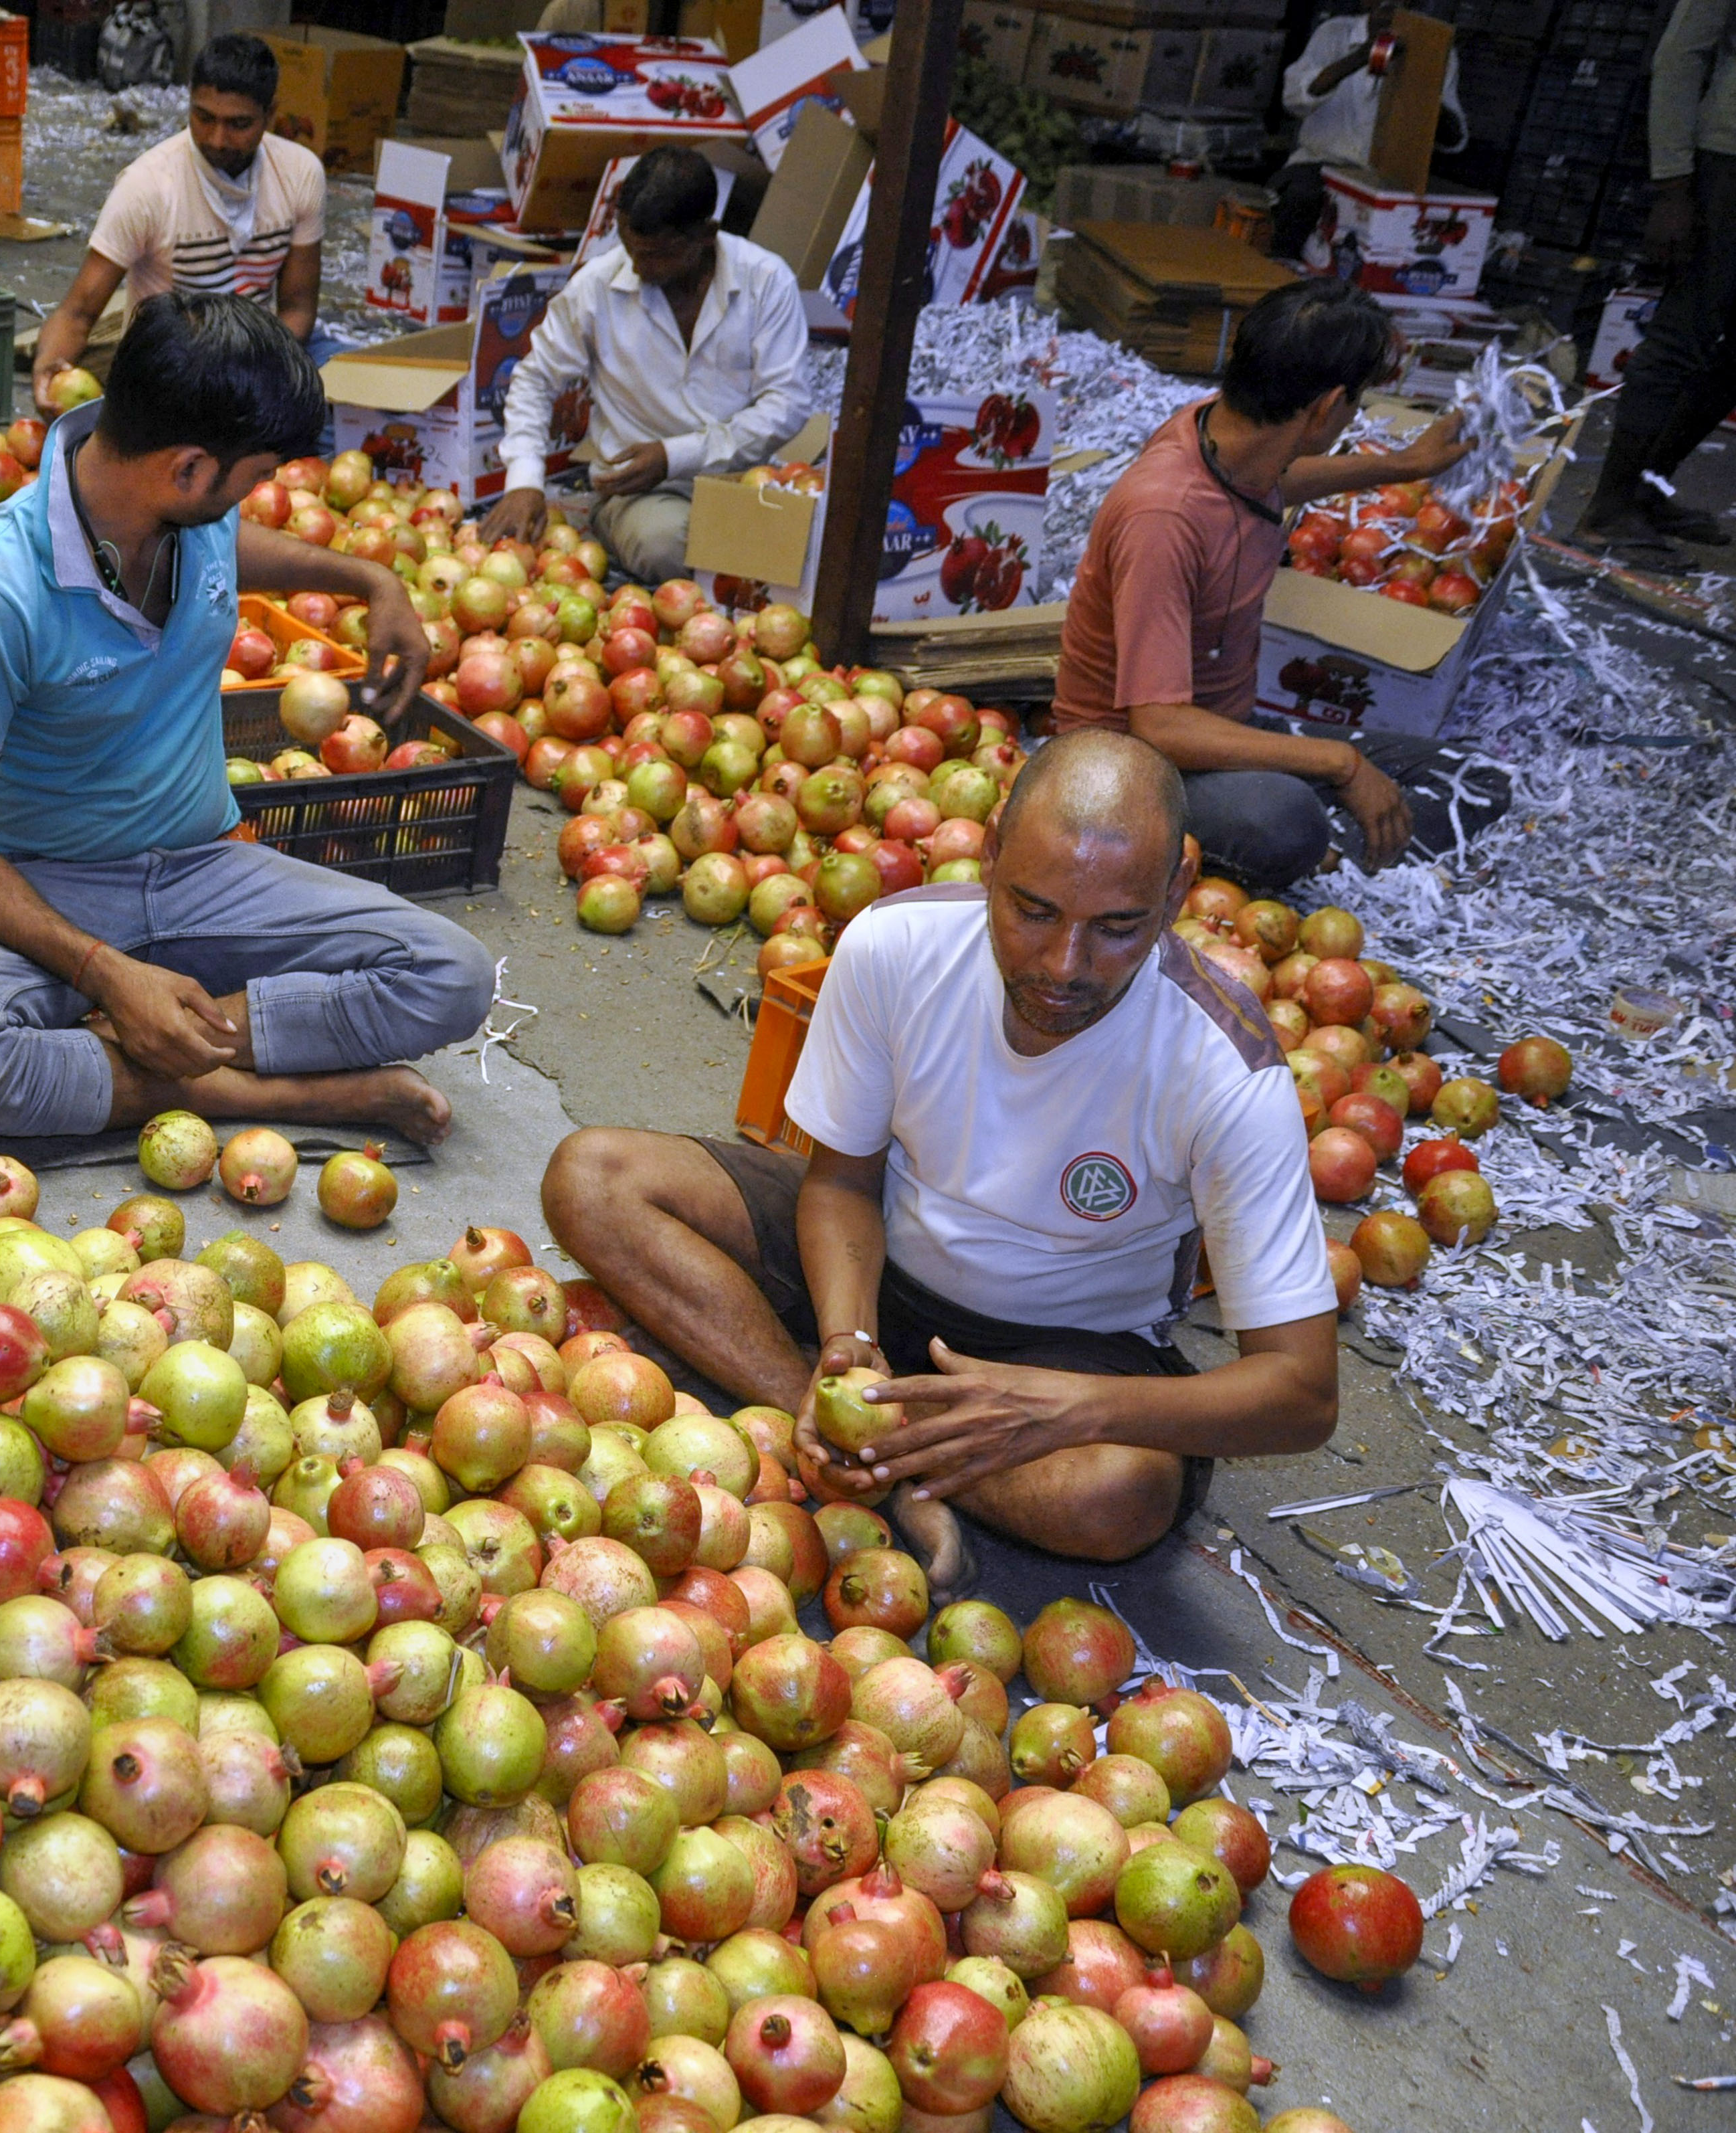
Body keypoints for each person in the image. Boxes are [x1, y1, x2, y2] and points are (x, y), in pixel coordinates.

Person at [543, 732, 1341, 1588]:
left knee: (1118, 1496)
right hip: (884, 1257)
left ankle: (879, 1444)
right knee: (592, 1178)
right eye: (1032, 910)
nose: (1062, 966)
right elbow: (843, 1181)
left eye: (1117, 928)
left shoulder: (1224, 1067)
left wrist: (1064, 1410)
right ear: (992, 848)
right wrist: (848, 1340)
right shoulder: (898, 946)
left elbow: (1302, 1393)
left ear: (1178, 888)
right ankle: (838, 1423)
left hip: (1069, 1346)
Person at [0, 294, 500, 1144]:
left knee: (454, 974)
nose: (263, 491)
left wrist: (373, 582)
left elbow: (235, 550)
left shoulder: (183, 508)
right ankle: (255, 1094)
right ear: (189, 470)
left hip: (205, 872)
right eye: (257, 475)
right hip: (46, 891)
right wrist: (106, 971)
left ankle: (160, 1043)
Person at [1050, 279, 1483, 890]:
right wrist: (1341, 763)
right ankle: (1324, 851)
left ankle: (1339, 841)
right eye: (1356, 404)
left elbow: (1281, 477)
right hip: (1127, 767)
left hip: (1227, 728)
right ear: (1327, 410)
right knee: (1285, 823)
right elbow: (1161, 728)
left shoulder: (1222, 434)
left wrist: (1404, 465)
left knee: (1473, 778)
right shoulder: (1163, 518)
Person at [476, 145, 807, 582]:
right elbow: (535, 380)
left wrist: (676, 455)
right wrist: (524, 480)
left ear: (706, 235)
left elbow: (787, 404)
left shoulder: (766, 280)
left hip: (744, 483)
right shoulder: (596, 287)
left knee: (803, 547)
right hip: (639, 491)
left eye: (658, 255)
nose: (639, 266)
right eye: (632, 248)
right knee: (665, 548)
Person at [29, 36, 331, 407]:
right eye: (204, 118)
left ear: (271, 117)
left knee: (344, 396)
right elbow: (78, 313)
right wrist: (48, 370)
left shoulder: (300, 173)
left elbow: (298, 308)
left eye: (238, 124)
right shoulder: (148, 186)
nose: (218, 139)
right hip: (173, 368)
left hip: (257, 356)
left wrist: (262, 375)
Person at [1577, 0, 1736, 553]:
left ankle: (1646, 489)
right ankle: (1609, 506)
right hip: (1729, 167)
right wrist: (1673, 183)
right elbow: (1679, 54)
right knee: (1682, 336)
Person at [1265, 16, 1466, 262]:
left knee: (1401, 233)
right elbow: (1294, 98)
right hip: (1320, 167)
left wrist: (1421, 81)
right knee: (1299, 198)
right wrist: (1361, 56)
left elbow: (1455, 139)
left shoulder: (1436, 47)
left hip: (1385, 180)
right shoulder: (1334, 33)